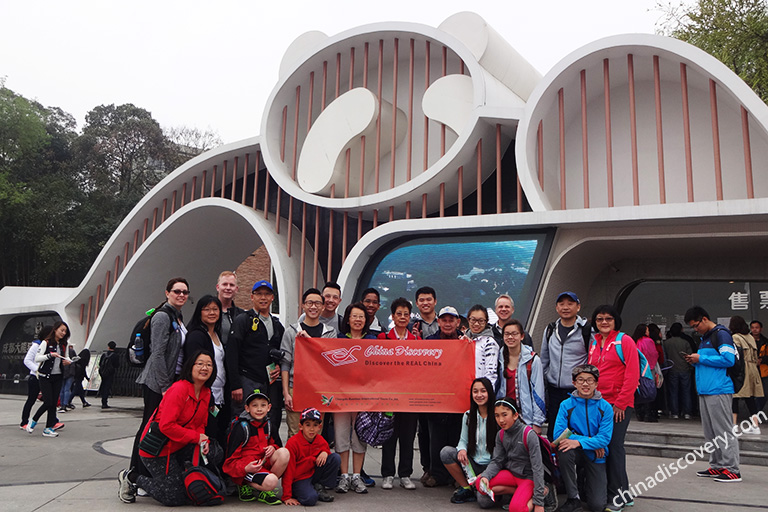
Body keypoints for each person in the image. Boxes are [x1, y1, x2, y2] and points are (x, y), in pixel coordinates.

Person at [118, 350, 214, 505]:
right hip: (157, 449)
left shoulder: (206, 392)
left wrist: (202, 442)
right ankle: (132, 477)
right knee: (174, 498)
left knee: (215, 452)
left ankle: (178, 479)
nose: (205, 368)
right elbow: (166, 426)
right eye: (200, 364)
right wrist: (196, 437)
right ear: (190, 367)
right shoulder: (179, 389)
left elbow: (200, 424)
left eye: (209, 365)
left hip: (179, 446)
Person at [131, 277, 189, 476]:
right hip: (157, 383)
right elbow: (157, 353)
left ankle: (150, 473)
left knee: (160, 429)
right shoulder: (163, 317)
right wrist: (165, 386)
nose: (181, 295)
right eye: (177, 291)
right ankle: (136, 473)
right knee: (149, 428)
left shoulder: (178, 316)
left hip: (170, 381)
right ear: (167, 293)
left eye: (184, 292)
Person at [586, 305, 639, 511]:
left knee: (614, 447)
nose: (604, 322)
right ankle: (623, 493)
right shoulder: (595, 342)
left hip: (618, 405)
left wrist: (621, 403)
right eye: (599, 319)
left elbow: (632, 374)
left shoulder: (624, 341)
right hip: (599, 404)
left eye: (608, 318)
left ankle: (616, 497)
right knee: (607, 448)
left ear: (616, 321)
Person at [684, 306, 741, 483]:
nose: (695, 329)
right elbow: (712, 362)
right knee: (711, 432)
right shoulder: (705, 338)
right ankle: (717, 465)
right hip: (706, 389)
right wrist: (695, 361)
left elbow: (728, 360)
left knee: (723, 431)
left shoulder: (721, 334)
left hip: (719, 389)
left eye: (695, 325)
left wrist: (700, 359)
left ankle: (732, 469)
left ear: (704, 319)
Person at [228, 280, 286, 442]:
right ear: (252, 297)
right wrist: (236, 385)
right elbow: (232, 353)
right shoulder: (243, 320)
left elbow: (283, 352)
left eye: (267, 294)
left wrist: (280, 367)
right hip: (247, 379)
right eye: (259, 294)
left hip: (270, 381)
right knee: (245, 420)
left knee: (270, 420)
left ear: (272, 298)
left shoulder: (277, 325)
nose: (263, 298)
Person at [552, 364, 613, 512]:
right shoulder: (566, 405)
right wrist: (587, 442)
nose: (585, 384)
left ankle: (584, 481)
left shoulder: (605, 407)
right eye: (580, 380)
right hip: (580, 451)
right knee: (564, 449)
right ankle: (573, 498)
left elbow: (604, 439)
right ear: (574, 383)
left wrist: (578, 441)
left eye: (590, 380)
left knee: (597, 506)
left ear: (596, 383)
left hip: (595, 454)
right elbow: (558, 435)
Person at [281, 288, 337, 437]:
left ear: (323, 307)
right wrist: (286, 393)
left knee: (315, 434)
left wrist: (309, 341)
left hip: (320, 390)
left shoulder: (330, 332)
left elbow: (328, 360)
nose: (314, 307)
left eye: (318, 303)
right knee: (295, 433)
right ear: (303, 306)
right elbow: (286, 364)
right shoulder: (291, 331)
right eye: (310, 303)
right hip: (296, 388)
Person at [379, 297, 421, 490]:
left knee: (407, 436)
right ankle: (387, 474)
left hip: (410, 398)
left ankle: (405, 474)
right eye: (399, 314)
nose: (402, 317)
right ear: (393, 316)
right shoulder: (383, 339)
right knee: (389, 436)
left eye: (406, 314)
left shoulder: (416, 341)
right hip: (388, 398)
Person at [475, 398, 546, 512]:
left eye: (504, 415)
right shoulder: (501, 434)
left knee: (515, 509)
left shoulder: (529, 435)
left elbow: (537, 468)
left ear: (515, 415)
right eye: (497, 416)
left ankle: (541, 492)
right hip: (511, 474)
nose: (501, 420)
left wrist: (539, 503)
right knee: (480, 483)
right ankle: (518, 492)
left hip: (527, 477)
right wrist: (486, 476)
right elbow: (497, 461)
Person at [334, 303, 375, 494]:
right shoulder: (338, 339)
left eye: (361, 317)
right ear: (347, 319)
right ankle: (343, 477)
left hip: (364, 397)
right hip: (341, 396)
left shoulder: (373, 341)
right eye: (354, 316)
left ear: (366, 321)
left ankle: (357, 476)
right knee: (341, 435)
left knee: (359, 436)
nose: (358, 320)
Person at [223, 390, 289, 505]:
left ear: (268, 407)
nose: (259, 409)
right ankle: (244, 484)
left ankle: (264, 487)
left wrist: (273, 447)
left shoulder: (268, 424)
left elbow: (278, 445)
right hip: (246, 467)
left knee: (284, 453)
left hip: (262, 463)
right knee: (272, 481)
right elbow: (229, 462)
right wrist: (245, 469)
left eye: (263, 405)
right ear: (247, 408)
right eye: (255, 405)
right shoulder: (241, 427)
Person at [424, 306, 466, 487]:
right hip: (436, 399)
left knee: (457, 438)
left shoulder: (466, 342)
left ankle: (456, 477)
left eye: (452, 320)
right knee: (436, 440)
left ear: (458, 322)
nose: (448, 323)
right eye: (444, 320)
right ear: (438, 321)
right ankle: (437, 475)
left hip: (458, 399)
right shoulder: (429, 342)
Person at [540, 291, 591, 441]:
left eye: (570, 303)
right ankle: (554, 463)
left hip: (577, 391)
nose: (565, 307)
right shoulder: (550, 329)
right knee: (554, 433)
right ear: (556, 308)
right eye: (561, 304)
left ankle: (577, 464)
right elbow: (544, 359)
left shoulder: (586, 331)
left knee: (578, 432)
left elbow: (591, 360)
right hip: (554, 391)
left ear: (578, 307)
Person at [440, 377, 498, 504]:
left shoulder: (498, 415)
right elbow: (463, 440)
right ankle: (467, 488)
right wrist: (462, 450)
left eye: (483, 391)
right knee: (446, 452)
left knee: (484, 503)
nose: (479, 395)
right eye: (475, 391)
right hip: (473, 463)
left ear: (489, 392)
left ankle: (485, 488)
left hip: (492, 466)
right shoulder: (468, 415)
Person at [184, 294, 229, 446]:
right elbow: (194, 368)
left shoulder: (217, 334)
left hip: (219, 391)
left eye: (215, 309)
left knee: (217, 431)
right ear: (199, 312)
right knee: (207, 432)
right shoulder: (197, 335)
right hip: (205, 393)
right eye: (207, 309)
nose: (211, 313)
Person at [495, 320, 546, 434]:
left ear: (522, 336)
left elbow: (538, 392)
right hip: (503, 417)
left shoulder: (533, 360)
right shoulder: (498, 358)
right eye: (507, 334)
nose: (510, 337)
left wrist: (537, 422)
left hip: (525, 418)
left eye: (514, 334)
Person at [282, 408, 341, 506]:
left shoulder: (320, 439)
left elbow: (326, 450)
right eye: (308, 425)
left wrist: (325, 452)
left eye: (315, 425)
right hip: (299, 478)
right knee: (310, 499)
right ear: (301, 426)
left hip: (313, 474)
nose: (312, 429)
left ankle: (320, 486)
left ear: (319, 427)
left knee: (335, 458)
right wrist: (287, 496)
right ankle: (300, 491)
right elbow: (289, 470)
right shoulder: (293, 443)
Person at [28, 321, 72, 437]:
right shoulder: (46, 343)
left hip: (58, 376)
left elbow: (66, 357)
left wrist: (68, 361)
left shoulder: (63, 344)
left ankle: (48, 428)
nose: (63, 333)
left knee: (53, 404)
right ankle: (33, 420)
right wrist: (49, 355)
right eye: (62, 330)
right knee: (48, 402)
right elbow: (37, 358)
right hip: (45, 376)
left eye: (65, 332)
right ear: (55, 329)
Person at [730, 315, 763, 434]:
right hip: (753, 369)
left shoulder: (735, 337)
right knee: (750, 398)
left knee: (735, 396)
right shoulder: (750, 337)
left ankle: (733, 426)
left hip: (742, 369)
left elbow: (736, 356)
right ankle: (755, 425)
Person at [20, 326, 52, 430]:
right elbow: (27, 360)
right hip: (35, 377)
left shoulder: (50, 346)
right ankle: (24, 422)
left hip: (45, 377)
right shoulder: (36, 345)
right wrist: (37, 370)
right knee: (31, 400)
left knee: (50, 400)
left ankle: (53, 421)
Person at [662, 323, 693, 419]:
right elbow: (690, 356)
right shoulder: (685, 343)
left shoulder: (666, 343)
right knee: (686, 392)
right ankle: (687, 412)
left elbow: (664, 357)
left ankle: (674, 412)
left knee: (673, 392)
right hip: (685, 369)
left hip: (672, 370)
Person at [466, 304, 500, 388]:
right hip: (463, 389)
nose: (476, 324)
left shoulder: (490, 342)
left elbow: (491, 373)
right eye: (473, 320)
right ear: (468, 320)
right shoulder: (463, 340)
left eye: (481, 321)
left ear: (486, 321)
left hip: (480, 392)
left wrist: (485, 393)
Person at [632, 324, 658, 422]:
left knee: (638, 390)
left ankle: (639, 413)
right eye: (647, 330)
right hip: (647, 369)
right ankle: (649, 414)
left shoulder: (634, 341)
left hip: (636, 368)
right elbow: (654, 354)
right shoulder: (649, 341)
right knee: (648, 390)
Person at [216, 271, 245, 347]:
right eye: (224, 284)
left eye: (231, 285)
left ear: (236, 289)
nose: (228, 288)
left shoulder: (241, 315)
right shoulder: (207, 311)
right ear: (218, 287)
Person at [750, 320, 768, 411]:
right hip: (750, 370)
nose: (754, 330)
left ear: (761, 329)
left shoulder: (765, 341)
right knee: (751, 393)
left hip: (763, 370)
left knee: (764, 393)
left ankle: (757, 411)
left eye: (756, 328)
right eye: (752, 328)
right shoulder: (747, 340)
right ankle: (754, 412)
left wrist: (762, 359)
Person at [57, 339, 78, 413]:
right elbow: (75, 360)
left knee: (62, 389)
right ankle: (65, 405)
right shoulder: (71, 351)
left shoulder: (59, 350)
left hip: (61, 371)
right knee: (67, 389)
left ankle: (62, 404)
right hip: (70, 372)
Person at [99, 341, 120, 409]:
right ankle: (105, 402)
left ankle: (103, 400)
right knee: (107, 387)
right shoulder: (115, 356)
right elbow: (117, 365)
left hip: (103, 373)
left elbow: (100, 364)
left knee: (103, 385)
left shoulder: (104, 355)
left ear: (108, 347)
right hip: (110, 373)